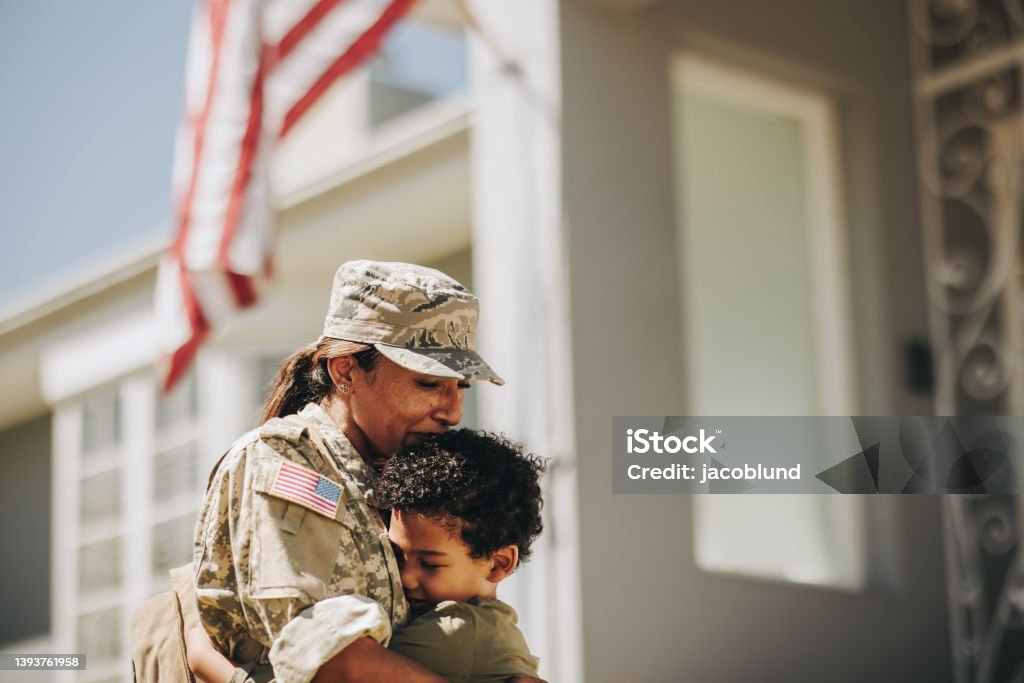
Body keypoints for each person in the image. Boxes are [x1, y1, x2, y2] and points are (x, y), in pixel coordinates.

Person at [190, 260, 508, 683]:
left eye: (460, 387)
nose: (452, 411)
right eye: (429, 384)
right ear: (346, 371)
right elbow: (333, 662)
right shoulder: (284, 462)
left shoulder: (402, 477)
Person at [188, 429, 546, 683]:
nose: (406, 578)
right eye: (397, 555)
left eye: (430, 563)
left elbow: (333, 669)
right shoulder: (485, 626)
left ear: (499, 563)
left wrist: (215, 665)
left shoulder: (455, 633)